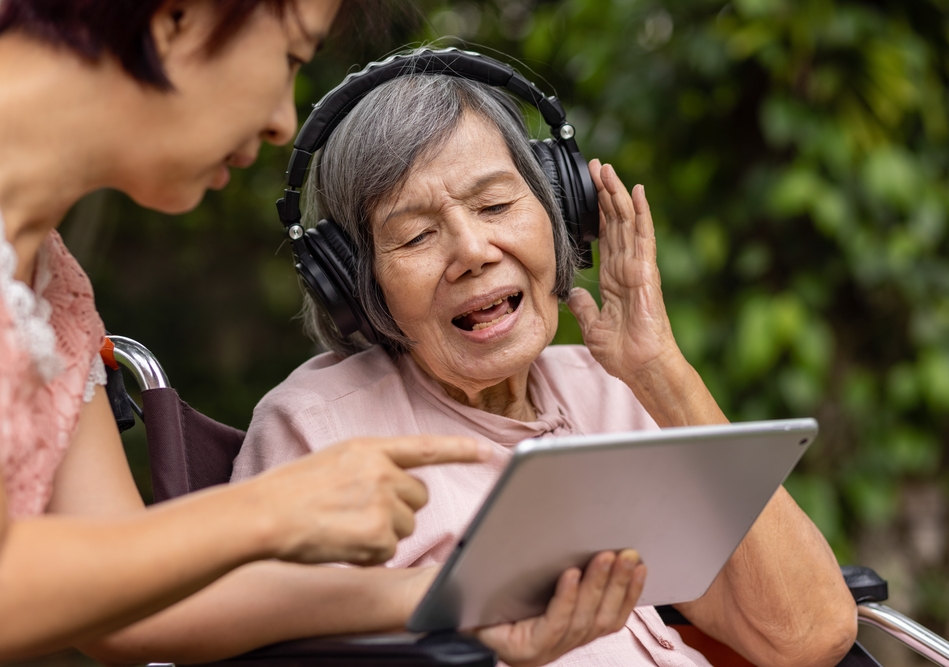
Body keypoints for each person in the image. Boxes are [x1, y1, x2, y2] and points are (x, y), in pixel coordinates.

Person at [0, 1, 645, 664]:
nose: (283, 120)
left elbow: (126, 611)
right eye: (289, 59)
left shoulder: (49, 279)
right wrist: (270, 511)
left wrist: (457, 599)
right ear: (176, 19)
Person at [232, 69, 861, 667]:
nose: (473, 252)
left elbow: (806, 637)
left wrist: (661, 371)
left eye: (497, 205)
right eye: (418, 237)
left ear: (557, 213)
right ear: (354, 283)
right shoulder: (316, 430)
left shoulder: (609, 390)